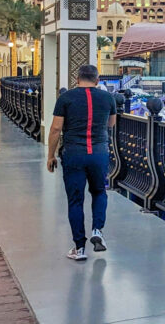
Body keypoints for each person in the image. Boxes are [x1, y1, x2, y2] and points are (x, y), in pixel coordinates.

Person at [46, 64, 117, 261]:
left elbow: (55, 129)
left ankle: (79, 248)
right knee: (99, 192)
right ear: (97, 80)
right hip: (99, 153)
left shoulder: (66, 98)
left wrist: (50, 155)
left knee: (76, 200)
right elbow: (111, 124)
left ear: (77, 79)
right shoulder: (107, 98)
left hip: (74, 153)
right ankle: (97, 230)